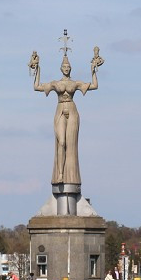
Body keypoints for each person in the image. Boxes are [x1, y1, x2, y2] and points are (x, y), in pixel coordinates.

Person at [29, 46, 101, 186]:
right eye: (65, 66)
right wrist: (38, 69)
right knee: (61, 142)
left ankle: (71, 176)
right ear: (61, 68)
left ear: (70, 68)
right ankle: (60, 174)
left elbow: (94, 85)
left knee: (71, 144)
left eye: (68, 66)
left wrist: (93, 70)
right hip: (60, 109)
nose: (67, 68)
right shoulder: (56, 83)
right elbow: (37, 87)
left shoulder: (75, 83)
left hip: (72, 110)